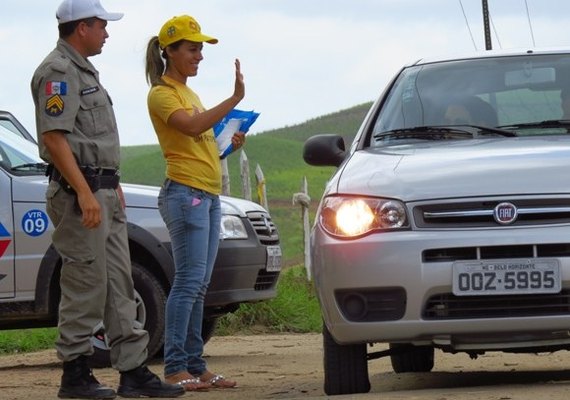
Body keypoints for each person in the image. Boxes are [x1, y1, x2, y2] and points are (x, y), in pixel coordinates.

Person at [30, 1, 185, 399]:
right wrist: (84, 191)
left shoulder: (83, 70)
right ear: (80, 27)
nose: (106, 33)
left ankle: (133, 371)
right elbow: (53, 137)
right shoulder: (59, 72)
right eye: (101, 25)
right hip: (79, 195)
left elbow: (90, 140)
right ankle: (76, 376)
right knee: (86, 283)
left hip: (101, 190)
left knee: (119, 281)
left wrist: (109, 183)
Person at [144, 14, 245, 391]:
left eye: (200, 48)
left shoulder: (189, 93)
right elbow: (191, 127)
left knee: (199, 284)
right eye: (191, 48)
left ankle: (196, 365)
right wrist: (233, 100)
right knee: (187, 283)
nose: (199, 54)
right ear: (169, 51)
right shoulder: (162, 93)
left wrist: (227, 147)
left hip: (205, 193)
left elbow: (201, 144)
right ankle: (174, 368)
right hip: (185, 195)